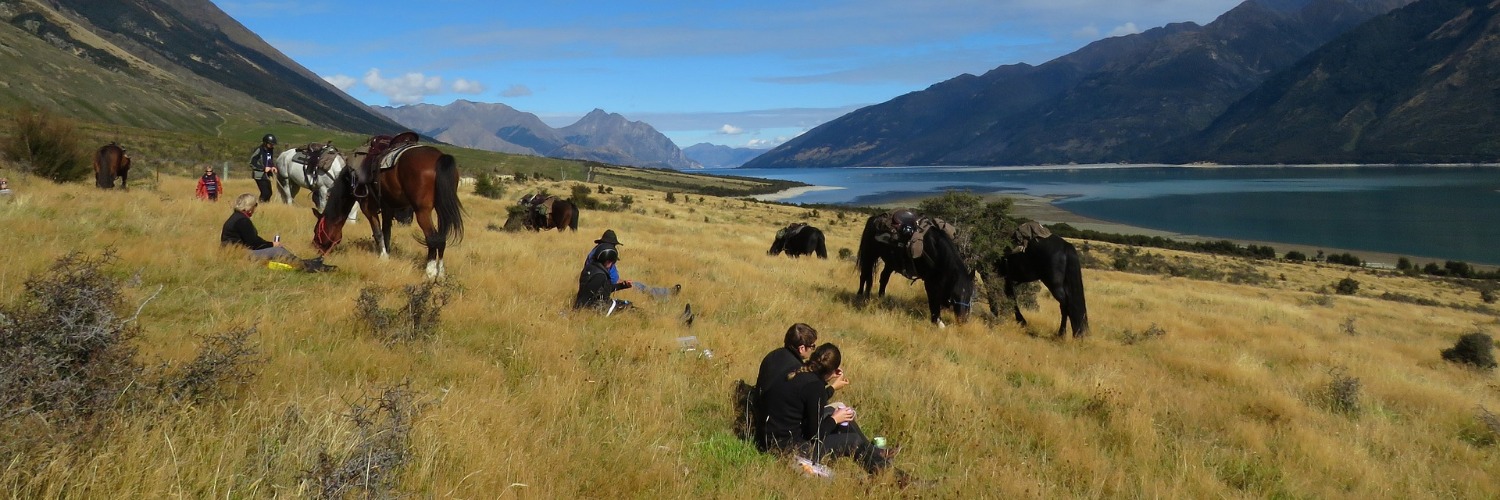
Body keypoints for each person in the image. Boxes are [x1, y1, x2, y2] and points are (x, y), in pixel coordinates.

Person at [761, 343, 894, 477]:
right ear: (832, 370)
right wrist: (834, 419)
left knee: (843, 417)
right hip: (790, 449)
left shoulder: (798, 370)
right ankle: (888, 474)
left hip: (774, 437)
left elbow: (811, 399)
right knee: (852, 440)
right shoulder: (815, 387)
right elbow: (814, 435)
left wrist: (832, 387)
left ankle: (875, 454)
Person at [220, 194, 333, 272]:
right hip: (240, 255)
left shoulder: (236, 217)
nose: (255, 208)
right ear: (249, 207)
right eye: (255, 205)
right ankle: (310, 267)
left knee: (276, 250)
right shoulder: (242, 220)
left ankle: (307, 263)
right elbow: (254, 243)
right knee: (278, 250)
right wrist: (272, 245)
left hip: (235, 253)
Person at [754, 323, 819, 449]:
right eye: (812, 346)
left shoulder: (772, 356)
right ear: (801, 348)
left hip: (761, 424)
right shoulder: (796, 371)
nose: (813, 350)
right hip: (781, 437)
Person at [574, 247, 632, 314]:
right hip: (598, 309)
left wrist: (623, 285)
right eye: (612, 262)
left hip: (594, 307)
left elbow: (604, 289)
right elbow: (586, 297)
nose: (612, 265)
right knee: (630, 308)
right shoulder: (599, 276)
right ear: (607, 262)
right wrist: (576, 312)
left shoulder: (591, 268)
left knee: (627, 305)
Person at [249, 133, 277, 202]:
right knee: (265, 193)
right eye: (270, 144)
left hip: (266, 175)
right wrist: (263, 168)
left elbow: (270, 160)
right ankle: (261, 206)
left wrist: (273, 167)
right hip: (259, 175)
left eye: (273, 144)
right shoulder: (259, 150)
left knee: (269, 193)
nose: (272, 146)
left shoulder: (270, 150)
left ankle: (266, 207)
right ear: (265, 143)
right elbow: (252, 163)